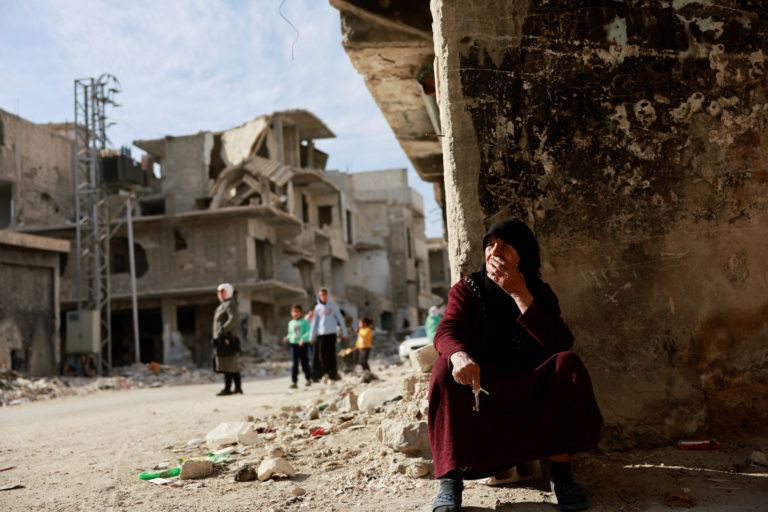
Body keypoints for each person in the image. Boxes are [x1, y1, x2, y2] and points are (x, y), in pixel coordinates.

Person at [428, 220, 602, 512]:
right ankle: (449, 484)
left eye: (504, 246)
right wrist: (458, 355)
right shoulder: (467, 289)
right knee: (442, 370)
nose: (494, 252)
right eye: (490, 244)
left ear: (522, 255)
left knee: (567, 364)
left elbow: (561, 342)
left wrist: (520, 294)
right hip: (483, 386)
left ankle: (561, 477)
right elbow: (447, 330)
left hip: (529, 384)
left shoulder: (539, 292)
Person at [309, 287, 348, 381]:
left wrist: (345, 333)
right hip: (321, 334)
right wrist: (311, 336)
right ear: (319, 296)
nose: (323, 296)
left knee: (331, 355)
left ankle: (333, 374)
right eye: (321, 295)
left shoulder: (333, 306)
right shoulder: (317, 308)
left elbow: (340, 319)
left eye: (325, 294)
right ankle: (326, 372)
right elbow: (315, 322)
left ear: (328, 295)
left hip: (331, 334)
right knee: (322, 355)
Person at [212, 283, 242, 396]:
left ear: (228, 292)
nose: (219, 294)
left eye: (222, 291)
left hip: (227, 338)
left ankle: (228, 388)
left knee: (228, 363)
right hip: (222, 338)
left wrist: (223, 329)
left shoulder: (230, 303)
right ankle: (237, 387)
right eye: (218, 292)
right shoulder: (224, 304)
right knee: (229, 363)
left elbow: (233, 318)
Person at [283, 304, 312, 389]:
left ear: (301, 312)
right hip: (293, 345)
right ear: (291, 313)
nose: (295, 313)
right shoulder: (291, 323)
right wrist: (287, 338)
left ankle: (308, 379)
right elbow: (290, 333)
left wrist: (303, 339)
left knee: (304, 362)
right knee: (294, 364)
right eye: (293, 311)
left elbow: (308, 332)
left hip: (302, 345)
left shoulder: (304, 322)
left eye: (297, 311)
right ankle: (294, 382)